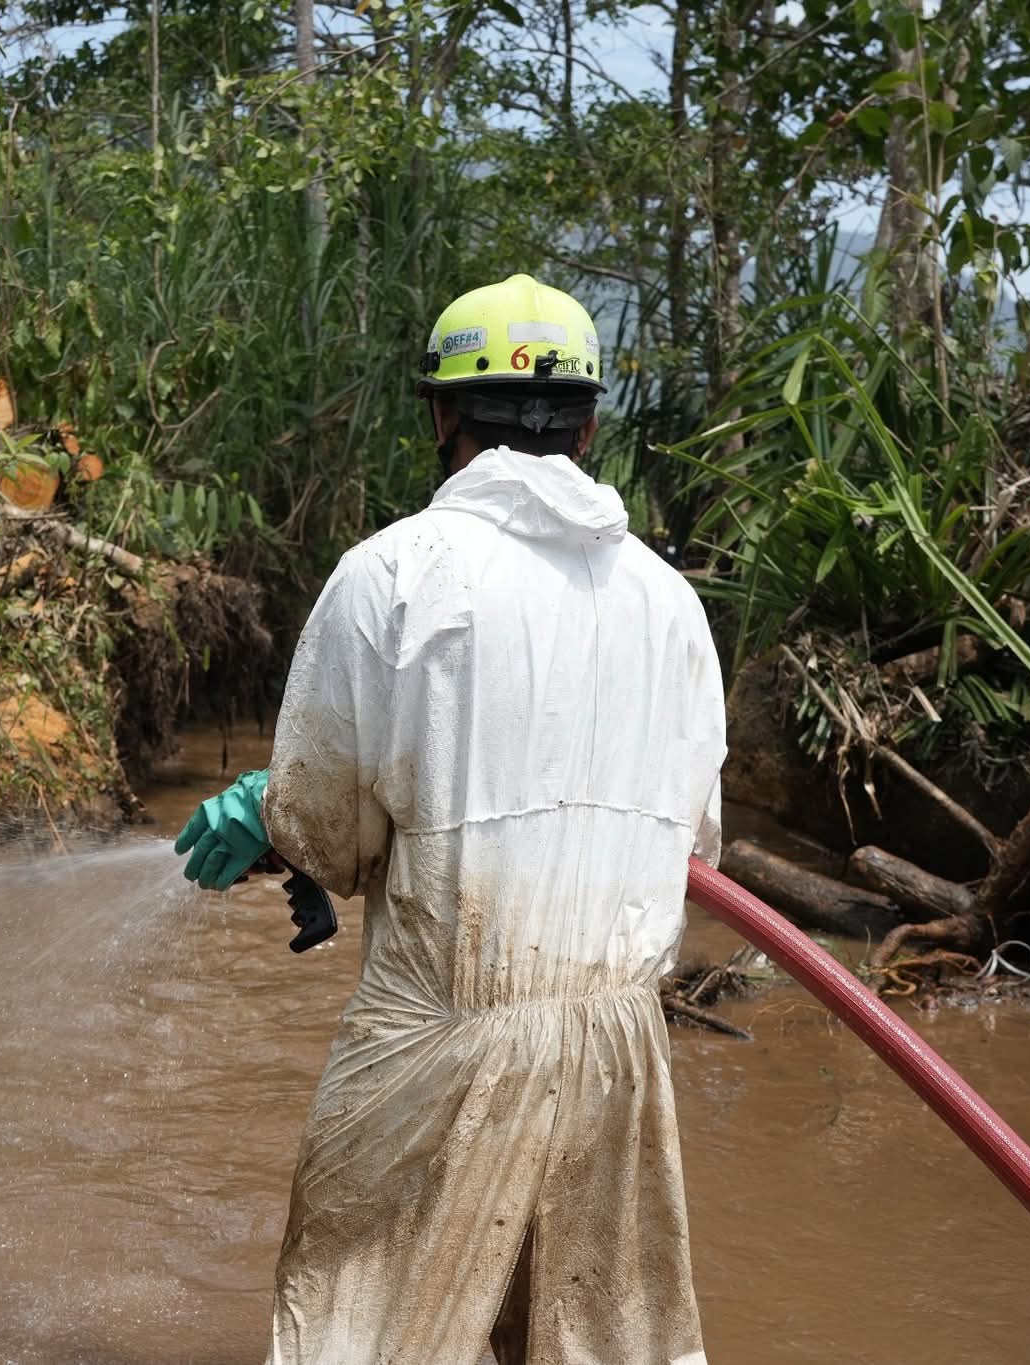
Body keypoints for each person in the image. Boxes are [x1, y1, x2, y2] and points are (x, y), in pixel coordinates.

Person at [174, 273, 726, 1365]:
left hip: (437, 1040)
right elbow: (692, 844)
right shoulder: (671, 603)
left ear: (440, 416)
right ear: (588, 424)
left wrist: (269, 813)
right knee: (600, 1341)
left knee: (365, 1330)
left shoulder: (391, 575)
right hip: (616, 1054)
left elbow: (327, 832)